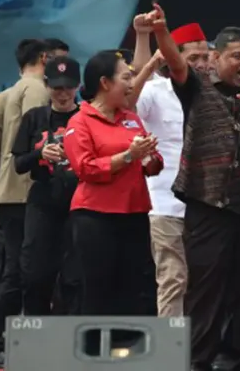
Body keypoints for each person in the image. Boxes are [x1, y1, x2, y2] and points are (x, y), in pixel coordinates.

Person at [146, 4, 240, 371]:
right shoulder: (197, 88)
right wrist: (161, 30)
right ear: (216, 57)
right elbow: (177, 64)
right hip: (207, 206)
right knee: (205, 290)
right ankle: (197, 362)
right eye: (234, 56)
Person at [63, 50, 163, 316]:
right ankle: (93, 350)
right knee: (98, 286)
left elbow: (151, 165)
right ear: (105, 83)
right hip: (96, 215)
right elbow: (85, 168)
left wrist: (150, 158)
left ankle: (129, 349)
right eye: (126, 78)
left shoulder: (131, 118)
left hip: (134, 210)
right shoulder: (80, 121)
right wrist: (129, 155)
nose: (131, 85)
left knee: (134, 285)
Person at [137, 22, 210, 318]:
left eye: (206, 57)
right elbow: (127, 104)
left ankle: (200, 353)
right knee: (173, 278)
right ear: (173, 58)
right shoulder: (154, 91)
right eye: (193, 58)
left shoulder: (216, 93)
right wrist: (145, 44)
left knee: (206, 281)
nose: (202, 64)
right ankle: (169, 356)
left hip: (208, 203)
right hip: (165, 203)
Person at [0, 39, 51, 366]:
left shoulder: (3, 95)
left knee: (11, 270)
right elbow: (38, 147)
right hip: (30, 192)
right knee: (23, 272)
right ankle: (3, 340)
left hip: (6, 193)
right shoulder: (39, 93)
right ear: (44, 59)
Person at [12, 56, 82, 317]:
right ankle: (34, 329)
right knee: (35, 273)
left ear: (77, 86)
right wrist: (40, 154)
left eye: (68, 87)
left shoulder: (86, 117)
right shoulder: (35, 117)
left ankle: (73, 334)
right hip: (43, 199)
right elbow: (19, 163)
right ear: (47, 86)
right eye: (56, 87)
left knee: (75, 275)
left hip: (78, 201)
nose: (62, 94)